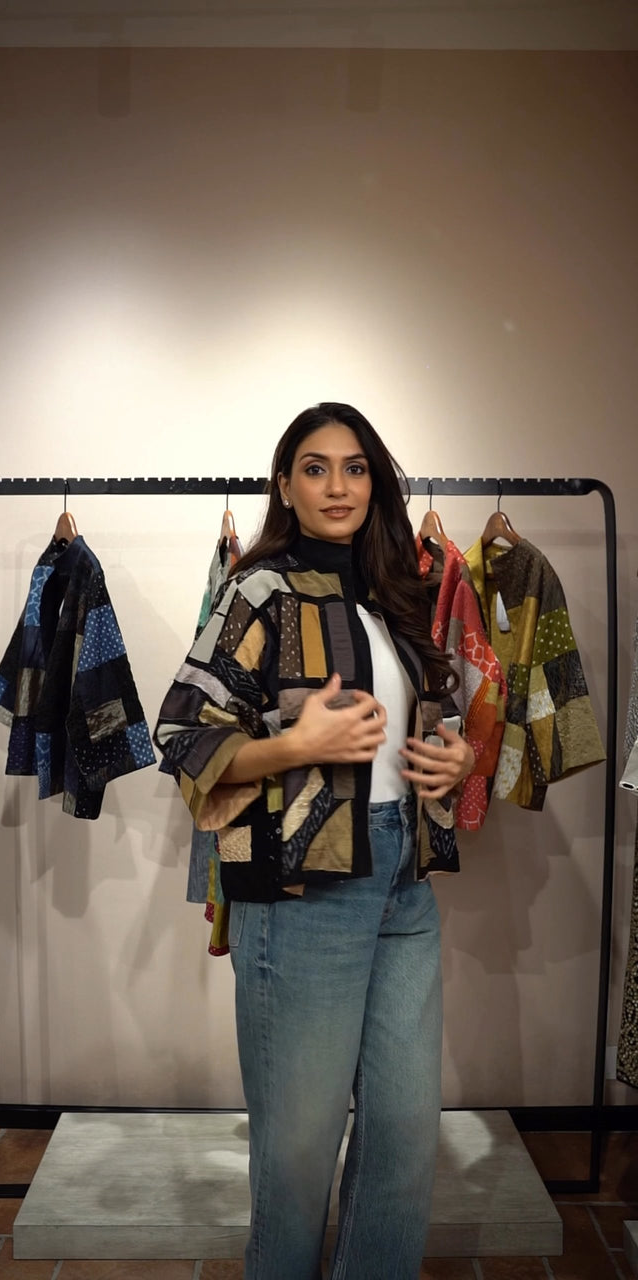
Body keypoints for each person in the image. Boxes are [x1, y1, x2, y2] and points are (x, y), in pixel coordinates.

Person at [155, 402, 476, 1280]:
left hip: (403, 882)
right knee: (298, 1153)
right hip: (303, 894)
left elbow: (435, 716)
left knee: (404, 1136)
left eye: (355, 468)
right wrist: (297, 746)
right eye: (315, 467)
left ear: (376, 485)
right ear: (286, 487)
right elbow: (180, 735)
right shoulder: (258, 590)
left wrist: (453, 757)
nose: (338, 486)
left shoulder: (395, 594)